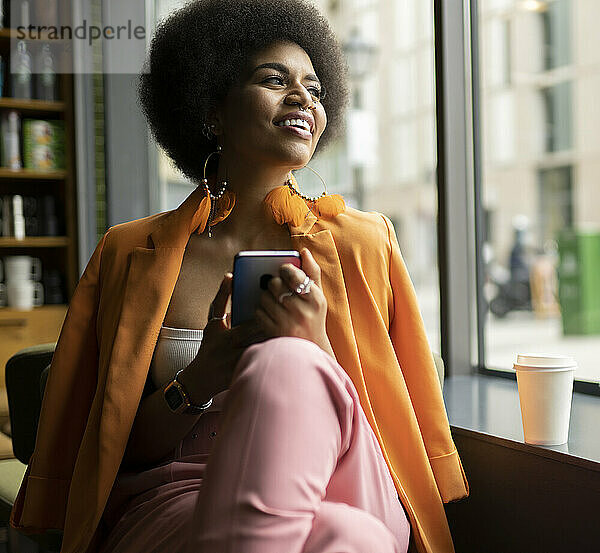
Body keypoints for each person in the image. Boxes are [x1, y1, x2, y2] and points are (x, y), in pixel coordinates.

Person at [10, 1, 469, 552]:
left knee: (288, 362)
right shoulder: (130, 253)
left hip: (343, 480)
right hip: (179, 495)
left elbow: (391, 420)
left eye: (315, 88)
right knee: (350, 536)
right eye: (273, 79)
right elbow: (110, 449)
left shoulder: (365, 242)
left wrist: (316, 345)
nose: (303, 98)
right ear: (212, 110)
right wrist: (205, 373)